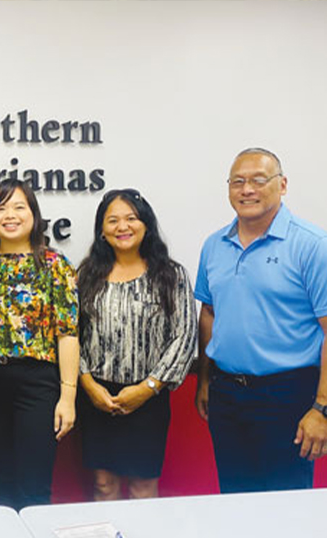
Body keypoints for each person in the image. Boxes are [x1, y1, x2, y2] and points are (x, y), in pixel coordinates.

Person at [195, 148, 327, 493]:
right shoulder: (214, 246)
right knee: (234, 500)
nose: (247, 190)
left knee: (285, 509)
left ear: (282, 185)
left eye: (258, 180)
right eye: (237, 182)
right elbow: (208, 314)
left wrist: (322, 408)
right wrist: (205, 382)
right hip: (227, 395)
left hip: (289, 396)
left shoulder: (312, 245)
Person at [0, 179, 79, 510]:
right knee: (5, 484)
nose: (9, 215)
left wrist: (68, 397)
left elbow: (68, 333)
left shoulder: (55, 265)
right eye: (1, 208)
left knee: (34, 488)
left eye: (18, 207)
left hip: (38, 383)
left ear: (33, 214)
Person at [77, 189, 196, 500]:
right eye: (113, 220)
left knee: (143, 487)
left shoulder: (171, 275)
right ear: (101, 230)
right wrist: (89, 385)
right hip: (96, 396)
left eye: (131, 218)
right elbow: (70, 334)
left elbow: (183, 336)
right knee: (104, 485)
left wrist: (148, 387)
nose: (122, 227)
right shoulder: (86, 276)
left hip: (149, 398)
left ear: (146, 225)